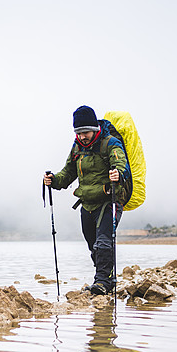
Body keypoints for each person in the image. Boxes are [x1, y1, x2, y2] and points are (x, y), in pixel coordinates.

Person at [43, 105, 131, 296]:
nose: (82, 136)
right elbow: (68, 174)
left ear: (94, 128)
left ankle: (102, 283)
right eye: (78, 132)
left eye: (85, 132)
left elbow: (120, 164)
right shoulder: (77, 148)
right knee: (93, 246)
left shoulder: (111, 143)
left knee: (103, 243)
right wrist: (54, 180)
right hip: (87, 203)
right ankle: (104, 279)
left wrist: (117, 174)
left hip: (110, 200)